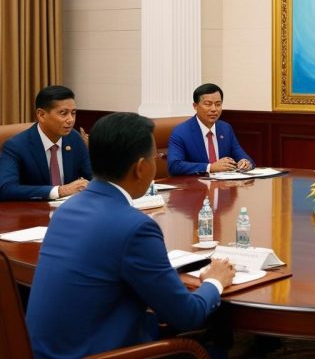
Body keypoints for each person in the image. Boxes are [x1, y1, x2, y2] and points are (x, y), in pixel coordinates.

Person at [26, 112, 235, 358]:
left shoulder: (66, 209)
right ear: (140, 167)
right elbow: (187, 315)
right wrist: (215, 281)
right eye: (155, 157)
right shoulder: (135, 227)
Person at [0, 85, 92, 201]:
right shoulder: (16, 146)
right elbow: (6, 189)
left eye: (73, 113)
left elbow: (92, 177)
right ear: (41, 115)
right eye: (63, 113)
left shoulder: (74, 138)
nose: (71, 120)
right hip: (34, 210)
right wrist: (59, 191)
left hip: (69, 208)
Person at [168, 83, 254, 175]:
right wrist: (210, 167)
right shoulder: (181, 132)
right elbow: (174, 166)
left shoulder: (225, 128)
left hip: (224, 182)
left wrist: (245, 162)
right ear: (195, 106)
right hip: (196, 183)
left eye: (218, 104)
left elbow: (243, 157)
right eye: (208, 104)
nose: (214, 109)